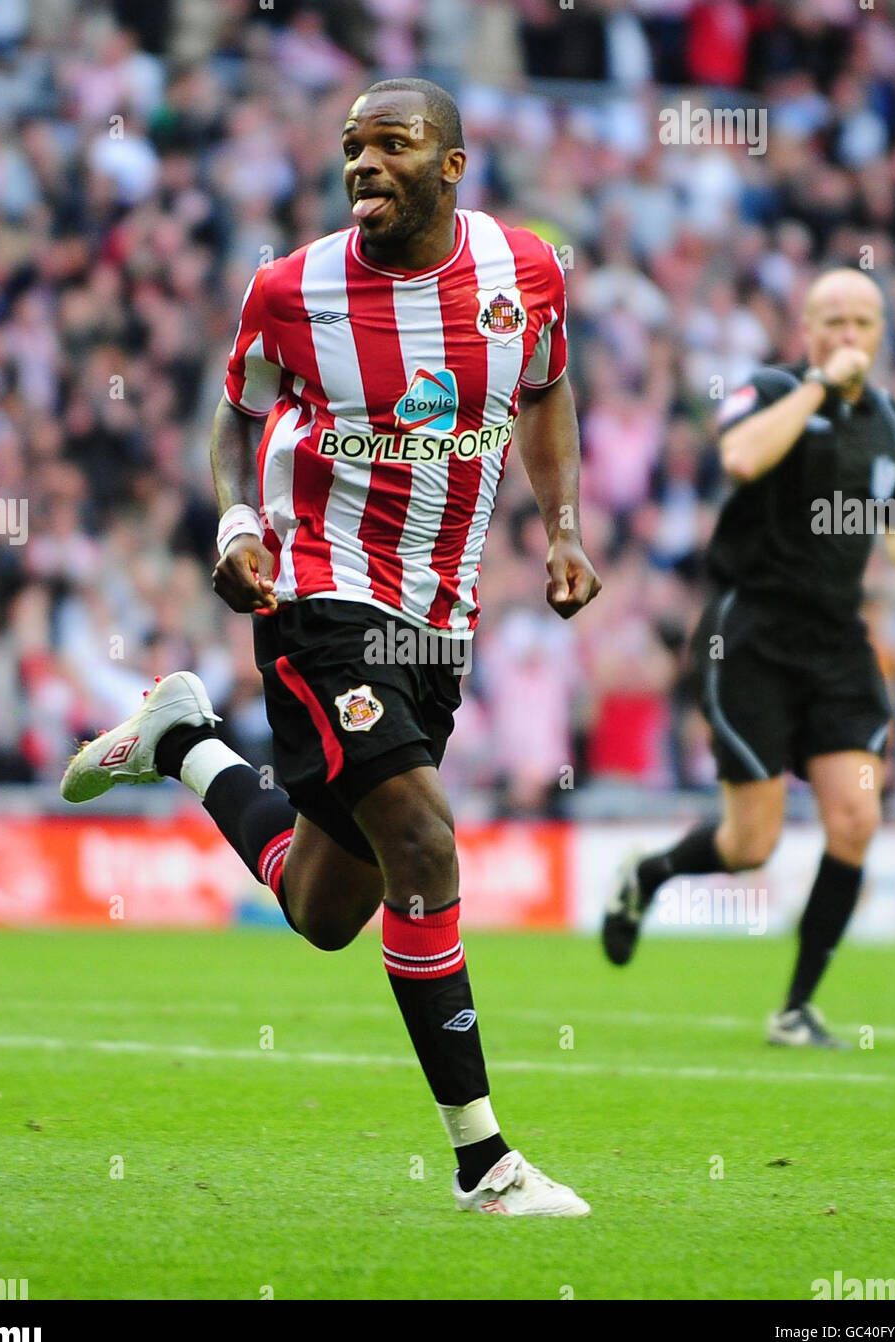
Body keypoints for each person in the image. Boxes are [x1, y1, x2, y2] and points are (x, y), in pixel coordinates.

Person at [62, 78, 601, 1213]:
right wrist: (234, 518)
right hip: (319, 590)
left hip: (438, 616)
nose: (364, 164)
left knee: (324, 909)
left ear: (450, 165)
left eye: (391, 145)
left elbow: (547, 393)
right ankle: (483, 1158)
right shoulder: (291, 288)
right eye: (351, 147)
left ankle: (185, 746)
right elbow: (234, 414)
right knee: (423, 843)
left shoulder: (526, 275)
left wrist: (560, 527)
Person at [601, 268, 895, 1046]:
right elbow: (744, 459)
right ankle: (645, 876)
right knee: (748, 844)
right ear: (806, 330)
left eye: (861, 320)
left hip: (836, 639)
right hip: (748, 632)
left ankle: (794, 1007)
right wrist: (818, 387)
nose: (848, 333)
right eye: (831, 320)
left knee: (855, 816)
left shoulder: (891, 423)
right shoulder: (767, 389)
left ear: (882, 332)